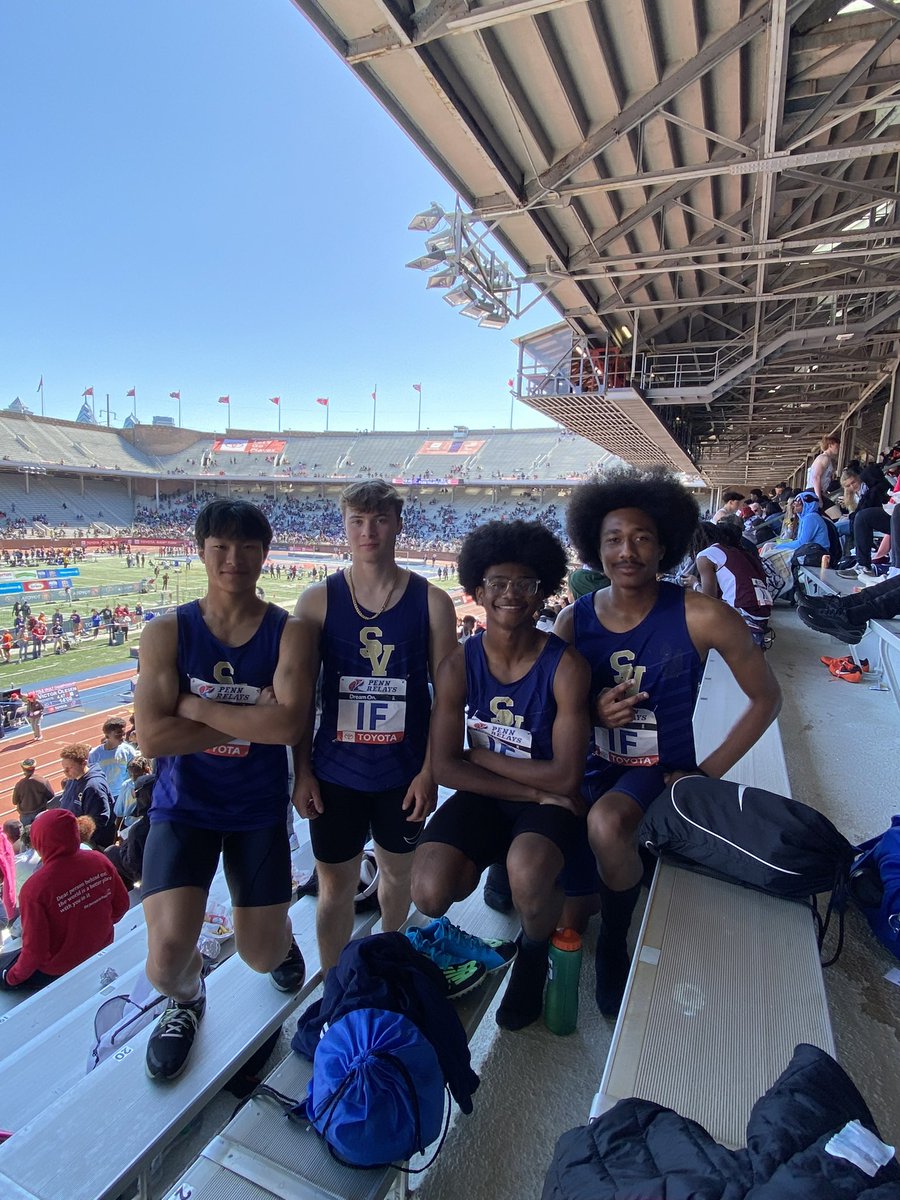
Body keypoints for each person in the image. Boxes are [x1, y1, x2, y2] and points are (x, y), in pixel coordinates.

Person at [553, 468, 782, 1017]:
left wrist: (706, 772)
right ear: (594, 547)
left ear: (664, 547)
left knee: (608, 827)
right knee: (556, 904)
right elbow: (548, 713)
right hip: (586, 766)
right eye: (613, 539)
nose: (626, 551)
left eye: (641, 538)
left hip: (656, 769)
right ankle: (624, 871)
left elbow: (766, 699)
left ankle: (616, 942)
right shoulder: (572, 619)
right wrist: (589, 709)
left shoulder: (701, 615)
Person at [135, 498, 309, 1083]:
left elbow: (286, 726)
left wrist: (194, 704)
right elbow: (155, 738)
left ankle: (281, 941)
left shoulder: (290, 632)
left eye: (246, 547)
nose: (234, 558)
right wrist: (245, 711)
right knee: (164, 963)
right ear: (202, 551)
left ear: (264, 554)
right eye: (221, 547)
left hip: (256, 808)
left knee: (260, 957)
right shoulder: (165, 632)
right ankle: (186, 1001)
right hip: (184, 807)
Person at [411, 521, 590, 1029]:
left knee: (530, 872)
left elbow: (568, 776)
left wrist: (480, 754)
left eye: (524, 584)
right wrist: (531, 787)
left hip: (542, 802)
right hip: (507, 796)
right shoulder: (457, 664)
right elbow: (445, 765)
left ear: (542, 593)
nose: (510, 593)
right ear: (477, 591)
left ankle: (532, 954)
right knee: (428, 891)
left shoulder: (566, 666)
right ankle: (496, 867)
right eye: (497, 583)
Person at [292, 480, 457, 976]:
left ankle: (388, 962)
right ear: (344, 527)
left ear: (398, 525)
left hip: (403, 774)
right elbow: (300, 700)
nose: (369, 531)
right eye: (358, 521)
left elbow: (447, 698)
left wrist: (431, 771)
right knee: (333, 888)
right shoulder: (317, 601)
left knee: (397, 877)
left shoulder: (432, 602)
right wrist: (301, 771)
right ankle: (335, 985)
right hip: (334, 773)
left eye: (380, 519)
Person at [0, 809, 129, 992]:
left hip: (58, 969)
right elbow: (122, 906)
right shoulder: (99, 859)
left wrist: (12, 978)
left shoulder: (34, 889)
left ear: (38, 840)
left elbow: (35, 952)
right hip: (102, 945)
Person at [58, 742, 117, 849]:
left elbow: (99, 820)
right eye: (64, 768)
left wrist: (78, 837)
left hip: (91, 842)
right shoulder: (73, 779)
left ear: (84, 763)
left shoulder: (94, 787)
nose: (65, 772)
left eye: (69, 768)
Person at [88, 716, 137, 806]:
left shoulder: (128, 750)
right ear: (107, 736)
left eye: (123, 733)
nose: (122, 737)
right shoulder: (94, 754)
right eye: (118, 734)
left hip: (123, 794)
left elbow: (134, 772)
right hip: (103, 795)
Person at [12, 758, 54, 832]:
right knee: (41, 832)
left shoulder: (19, 784)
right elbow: (51, 796)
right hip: (40, 812)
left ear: (23, 769)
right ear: (34, 768)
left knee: (27, 836)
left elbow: (15, 801)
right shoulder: (43, 781)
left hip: (25, 815)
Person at [806, 434, 840, 508]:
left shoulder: (826, 458)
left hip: (815, 491)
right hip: (814, 492)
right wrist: (819, 498)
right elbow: (816, 477)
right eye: (837, 446)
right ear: (830, 445)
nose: (838, 448)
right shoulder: (825, 458)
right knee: (835, 514)